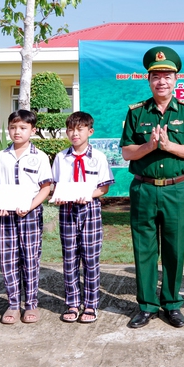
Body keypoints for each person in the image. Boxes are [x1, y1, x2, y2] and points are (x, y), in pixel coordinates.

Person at [120, 46, 184, 329]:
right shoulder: (136, 113)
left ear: (176, 79)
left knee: (173, 249)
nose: (162, 81)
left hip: (175, 190)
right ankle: (146, 305)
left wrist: (169, 146)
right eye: (156, 75)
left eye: (167, 75)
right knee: (144, 249)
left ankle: (171, 304)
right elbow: (127, 153)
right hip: (144, 189)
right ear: (148, 80)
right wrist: (149, 146)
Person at [0, 109, 52, 324]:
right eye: (13, 127)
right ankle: (13, 304)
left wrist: (30, 206)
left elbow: (45, 188)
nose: (17, 132)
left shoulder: (39, 157)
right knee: (8, 259)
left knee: (30, 259)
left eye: (23, 128)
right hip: (6, 217)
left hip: (30, 215)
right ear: (8, 129)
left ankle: (31, 304)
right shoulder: (1, 157)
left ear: (32, 130)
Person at [51, 111, 115, 323]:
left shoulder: (98, 158)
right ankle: (71, 303)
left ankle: (90, 305)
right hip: (67, 212)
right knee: (69, 259)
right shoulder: (61, 158)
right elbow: (55, 185)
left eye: (79, 129)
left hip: (90, 211)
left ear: (90, 131)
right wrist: (58, 197)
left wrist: (87, 195)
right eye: (70, 129)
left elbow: (103, 188)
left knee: (90, 260)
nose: (74, 133)